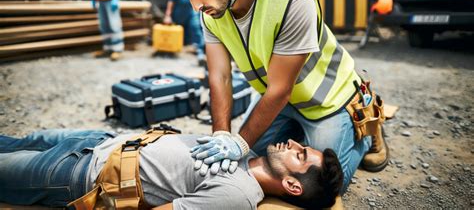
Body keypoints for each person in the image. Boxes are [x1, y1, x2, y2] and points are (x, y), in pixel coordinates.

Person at [156, 0, 389, 192]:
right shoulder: (211, 15)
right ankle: (300, 136)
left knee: (320, 186)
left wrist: (240, 142)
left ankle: (367, 131)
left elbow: (280, 89)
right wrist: (222, 136)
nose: (195, 6)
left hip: (327, 102)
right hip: (281, 102)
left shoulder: (292, 1)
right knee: (248, 161)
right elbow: (220, 77)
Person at [0, 128, 343, 209]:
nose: (295, 144)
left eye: (301, 156)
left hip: (79, 173)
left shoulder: (238, 194)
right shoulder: (247, 151)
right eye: (302, 146)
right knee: (17, 139)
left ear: (293, 186)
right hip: (101, 139)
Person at [164, 0, 206, 66]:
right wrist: (168, 15)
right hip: (178, 13)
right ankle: (170, 54)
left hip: (192, 11)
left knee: (195, 27)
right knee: (180, 37)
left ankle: (200, 53)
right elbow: (171, 1)